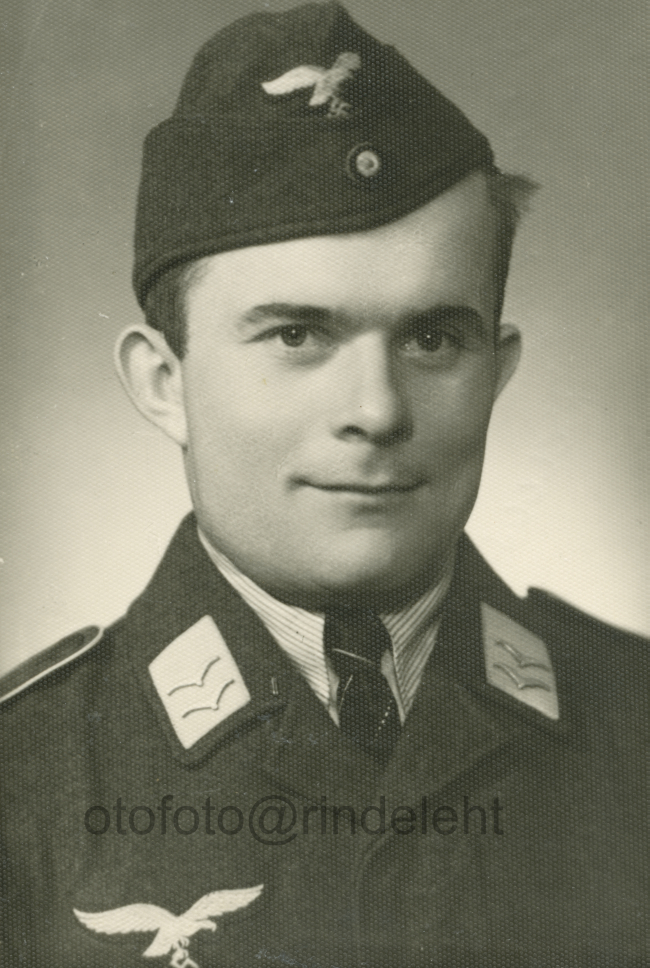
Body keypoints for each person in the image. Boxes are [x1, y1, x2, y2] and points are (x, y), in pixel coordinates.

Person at [0, 3, 646, 966]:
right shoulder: (22, 780)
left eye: (434, 338)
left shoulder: (634, 720)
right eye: (297, 335)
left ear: (497, 372)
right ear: (165, 384)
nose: (377, 411)